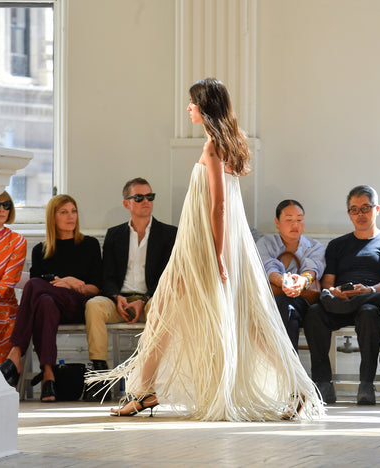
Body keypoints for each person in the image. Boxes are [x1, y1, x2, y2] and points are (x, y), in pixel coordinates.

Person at [93, 78, 323, 420]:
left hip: (203, 248)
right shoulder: (227, 143)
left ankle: (144, 391)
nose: (188, 109)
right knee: (239, 321)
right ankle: (296, 389)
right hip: (209, 245)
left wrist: (215, 255)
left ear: (204, 106)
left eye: (192, 103)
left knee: (169, 315)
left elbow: (219, 207)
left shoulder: (213, 148)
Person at [303, 185, 380, 406]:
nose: (360, 214)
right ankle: (323, 383)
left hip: (370, 302)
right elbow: (328, 283)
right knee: (314, 313)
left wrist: (369, 290)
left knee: (368, 313)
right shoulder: (338, 245)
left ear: (376, 209)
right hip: (341, 303)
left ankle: (366, 384)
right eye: (354, 209)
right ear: (349, 213)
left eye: (365, 208)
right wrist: (336, 292)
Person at [0, 194, 102, 402]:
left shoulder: (89, 245)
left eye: (73, 211)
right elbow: (39, 292)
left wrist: (73, 283)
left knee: (35, 284)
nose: (70, 216)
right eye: (63, 212)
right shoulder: (41, 250)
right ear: (52, 217)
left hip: (78, 305)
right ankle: (48, 376)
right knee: (44, 301)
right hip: (50, 310)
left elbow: (97, 288)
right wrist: (59, 282)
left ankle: (16, 352)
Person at [84, 178, 177, 374]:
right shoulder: (114, 234)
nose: (146, 201)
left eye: (150, 196)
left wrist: (143, 300)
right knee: (94, 306)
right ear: (127, 203)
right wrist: (117, 298)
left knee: (159, 307)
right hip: (120, 300)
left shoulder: (168, 234)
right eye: (139, 197)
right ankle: (99, 370)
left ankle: (150, 371)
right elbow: (107, 276)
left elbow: (166, 277)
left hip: (151, 299)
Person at [256, 199, 325, 350]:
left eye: (299, 220)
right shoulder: (265, 243)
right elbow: (267, 266)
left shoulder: (314, 246)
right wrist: (283, 282)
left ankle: (287, 369)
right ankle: (290, 368)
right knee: (284, 306)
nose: (295, 225)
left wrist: (302, 281)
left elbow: (313, 268)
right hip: (270, 301)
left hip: (302, 301)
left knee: (287, 306)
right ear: (277, 222)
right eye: (289, 220)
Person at [0, 191, 27, 364]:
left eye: (7, 205)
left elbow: (9, 280)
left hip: (3, 302)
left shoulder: (17, 241)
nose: (2, 209)